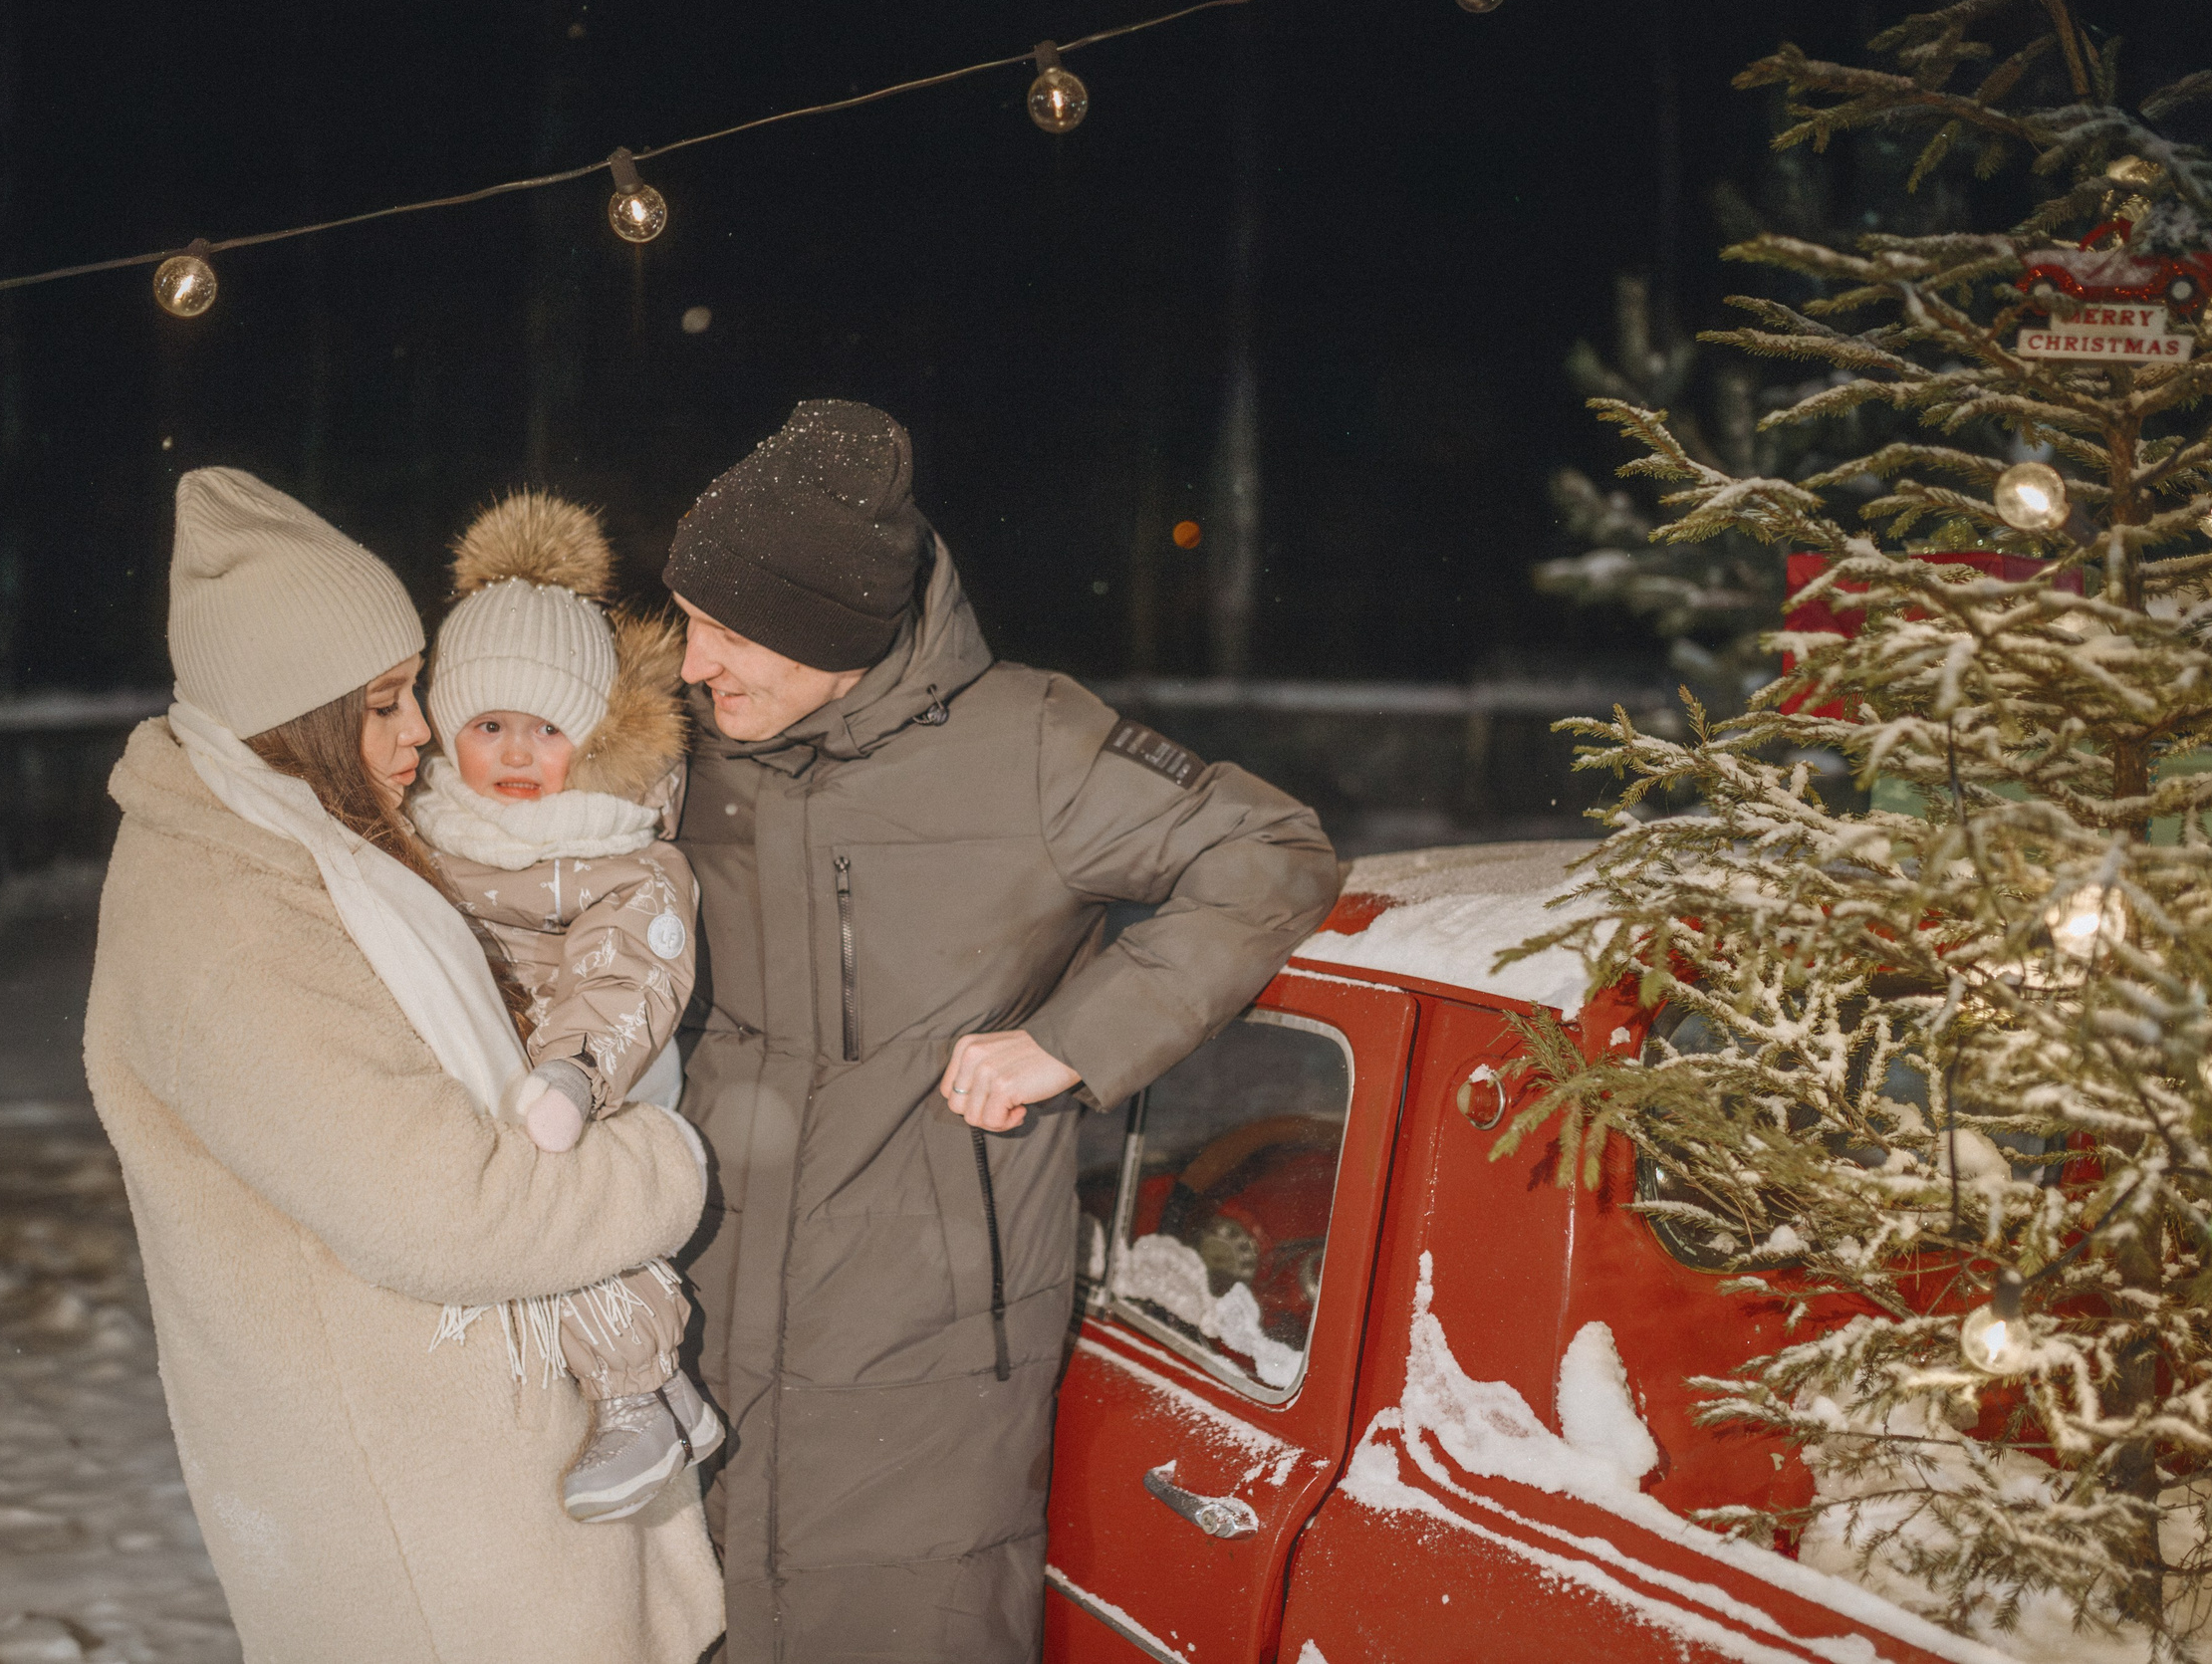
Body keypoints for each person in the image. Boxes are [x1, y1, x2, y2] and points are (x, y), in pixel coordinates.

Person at [663, 401, 1341, 1662]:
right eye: (689, 621)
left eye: (731, 632)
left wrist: (1076, 1039)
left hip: (926, 1337)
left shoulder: (1031, 746)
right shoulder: (686, 749)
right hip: (696, 1293)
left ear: (840, 633)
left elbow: (1270, 851)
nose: (692, 663)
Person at [83, 467, 722, 1662]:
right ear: (299, 716)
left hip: (457, 1474)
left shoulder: (311, 844)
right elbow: (449, 1215)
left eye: (416, 692)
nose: (421, 732)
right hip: (421, 1532)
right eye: (385, 703)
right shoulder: (230, 919)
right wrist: (664, 1159)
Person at [404, 489, 720, 1521]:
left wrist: (572, 1075)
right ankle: (647, 1395)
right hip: (484, 1068)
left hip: (595, 1075)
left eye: (545, 729)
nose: (510, 755)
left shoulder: (618, 845)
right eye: (486, 724)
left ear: (589, 740)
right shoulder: (428, 833)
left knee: (566, 1204)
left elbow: (628, 970)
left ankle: (644, 1390)